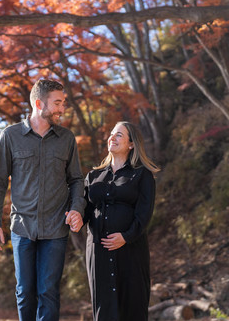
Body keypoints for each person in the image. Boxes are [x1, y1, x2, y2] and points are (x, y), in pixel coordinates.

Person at [0, 79, 85, 321]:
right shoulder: (10, 136)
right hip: (22, 227)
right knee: (25, 292)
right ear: (39, 103)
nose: (62, 108)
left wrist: (77, 209)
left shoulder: (66, 139)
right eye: (57, 103)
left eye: (63, 103)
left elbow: (76, 181)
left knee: (48, 292)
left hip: (55, 228)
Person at [83, 121, 160, 321]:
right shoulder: (93, 176)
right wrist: (74, 216)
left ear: (131, 144)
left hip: (131, 250)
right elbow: (83, 211)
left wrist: (126, 236)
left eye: (119, 135)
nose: (112, 137)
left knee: (132, 307)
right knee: (104, 310)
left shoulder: (142, 175)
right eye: (111, 133)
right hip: (98, 251)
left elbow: (144, 214)